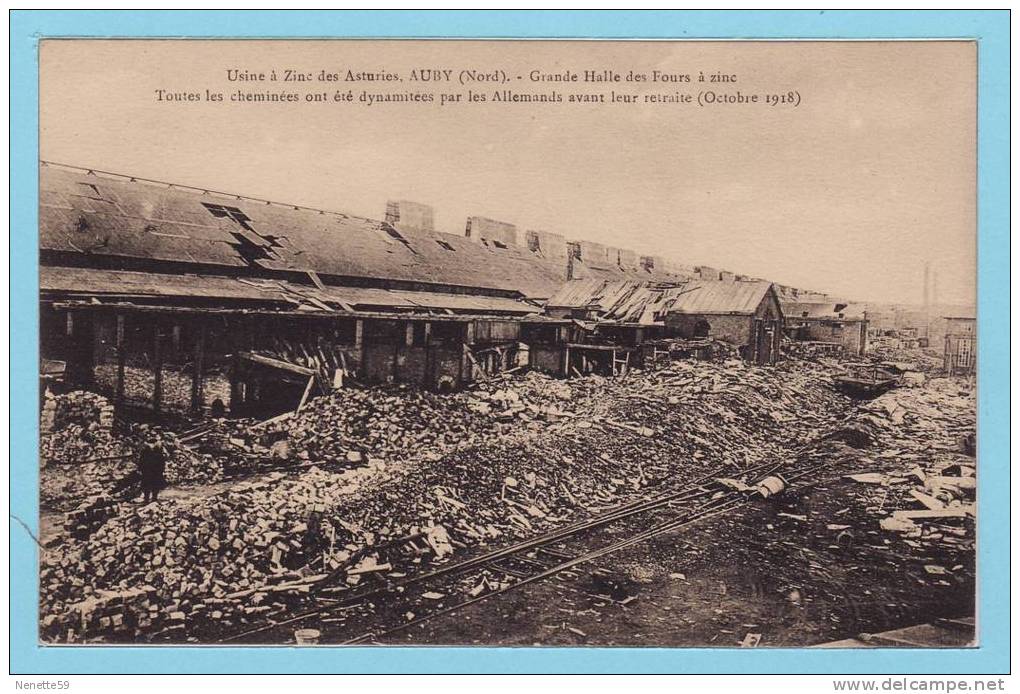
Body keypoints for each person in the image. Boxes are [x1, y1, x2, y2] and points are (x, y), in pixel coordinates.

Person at [138, 433, 167, 503]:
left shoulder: (147, 450)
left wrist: (141, 468)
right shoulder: (156, 449)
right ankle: (151, 498)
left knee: (150, 485)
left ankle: (150, 498)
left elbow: (141, 460)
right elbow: (162, 460)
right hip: (152, 470)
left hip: (151, 470)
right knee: (151, 485)